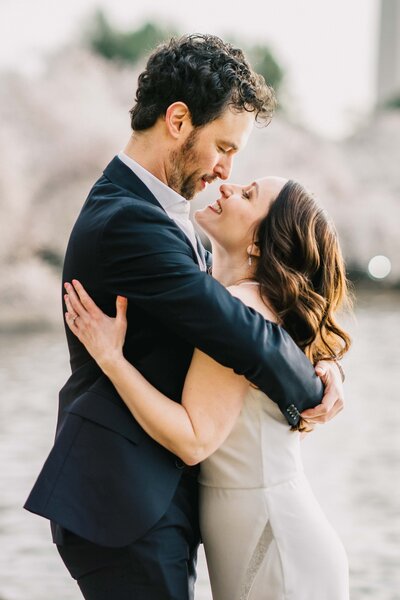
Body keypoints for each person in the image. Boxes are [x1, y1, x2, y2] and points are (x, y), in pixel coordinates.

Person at [24, 34, 344, 600]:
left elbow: (245, 311)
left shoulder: (161, 212)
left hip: (154, 496)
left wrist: (328, 363)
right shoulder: (126, 221)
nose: (225, 170)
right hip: (123, 503)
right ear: (177, 121)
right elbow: (233, 328)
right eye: (223, 146)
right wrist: (311, 386)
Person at [64, 177, 351, 600]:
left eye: (248, 196)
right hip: (255, 528)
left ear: (259, 243)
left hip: (271, 539)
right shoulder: (231, 298)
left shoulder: (240, 311)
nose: (227, 188)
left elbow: (194, 440)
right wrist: (331, 367)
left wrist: (112, 359)